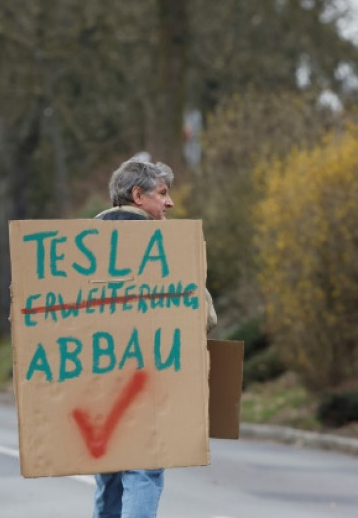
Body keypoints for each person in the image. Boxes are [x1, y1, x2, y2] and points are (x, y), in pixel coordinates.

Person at [91, 156, 217, 518]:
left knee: (110, 475)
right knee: (144, 468)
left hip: (99, 384)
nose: (170, 202)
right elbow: (202, 317)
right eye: (162, 193)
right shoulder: (164, 246)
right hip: (147, 381)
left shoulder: (80, 243)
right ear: (137, 195)